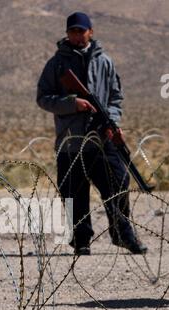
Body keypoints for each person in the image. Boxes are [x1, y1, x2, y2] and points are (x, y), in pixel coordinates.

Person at [37, 11, 147, 255]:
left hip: (100, 138)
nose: (77, 36)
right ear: (67, 33)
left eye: (81, 31)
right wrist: (72, 103)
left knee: (119, 181)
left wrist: (113, 120)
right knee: (74, 194)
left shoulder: (104, 61)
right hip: (70, 141)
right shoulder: (57, 64)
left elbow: (116, 96)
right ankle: (81, 240)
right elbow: (43, 98)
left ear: (91, 32)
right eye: (72, 31)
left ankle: (121, 233)